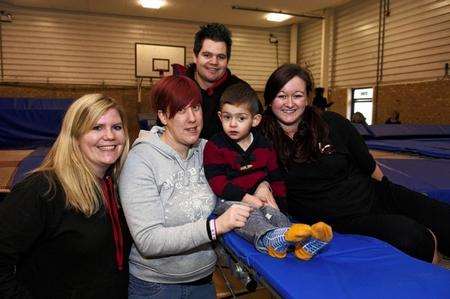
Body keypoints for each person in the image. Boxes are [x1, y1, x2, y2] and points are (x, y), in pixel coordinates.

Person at [259, 63, 450, 263]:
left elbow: (368, 165)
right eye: (281, 96)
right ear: (270, 99)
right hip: (345, 217)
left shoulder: (331, 122)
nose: (289, 103)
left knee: (443, 218)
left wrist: (394, 197)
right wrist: (262, 186)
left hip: (375, 193)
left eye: (297, 95)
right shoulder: (262, 138)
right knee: (417, 238)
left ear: (307, 98)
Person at [118, 75, 253, 299]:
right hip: (156, 287)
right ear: (162, 116)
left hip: (204, 281)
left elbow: (245, 173)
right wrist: (214, 227)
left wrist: (262, 185)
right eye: (181, 110)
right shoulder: (141, 160)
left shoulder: (208, 150)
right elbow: (148, 240)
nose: (192, 118)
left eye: (196, 108)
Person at [0, 94, 131, 298]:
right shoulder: (42, 189)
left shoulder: (117, 186)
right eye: (97, 127)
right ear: (75, 136)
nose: (110, 136)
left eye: (117, 127)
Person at [203, 82, 333, 260]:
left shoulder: (264, 144)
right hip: (230, 199)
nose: (232, 124)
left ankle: (302, 244)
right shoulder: (215, 145)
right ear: (220, 117)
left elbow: (276, 178)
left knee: (276, 215)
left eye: (241, 118)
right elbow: (218, 183)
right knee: (250, 216)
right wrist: (248, 199)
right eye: (227, 117)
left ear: (255, 120)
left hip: (260, 198)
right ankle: (270, 239)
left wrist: (280, 207)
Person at [184, 23, 246, 139]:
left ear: (227, 60)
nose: (214, 62)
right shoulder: (177, 88)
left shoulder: (242, 91)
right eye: (207, 55)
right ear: (195, 56)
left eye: (221, 57)